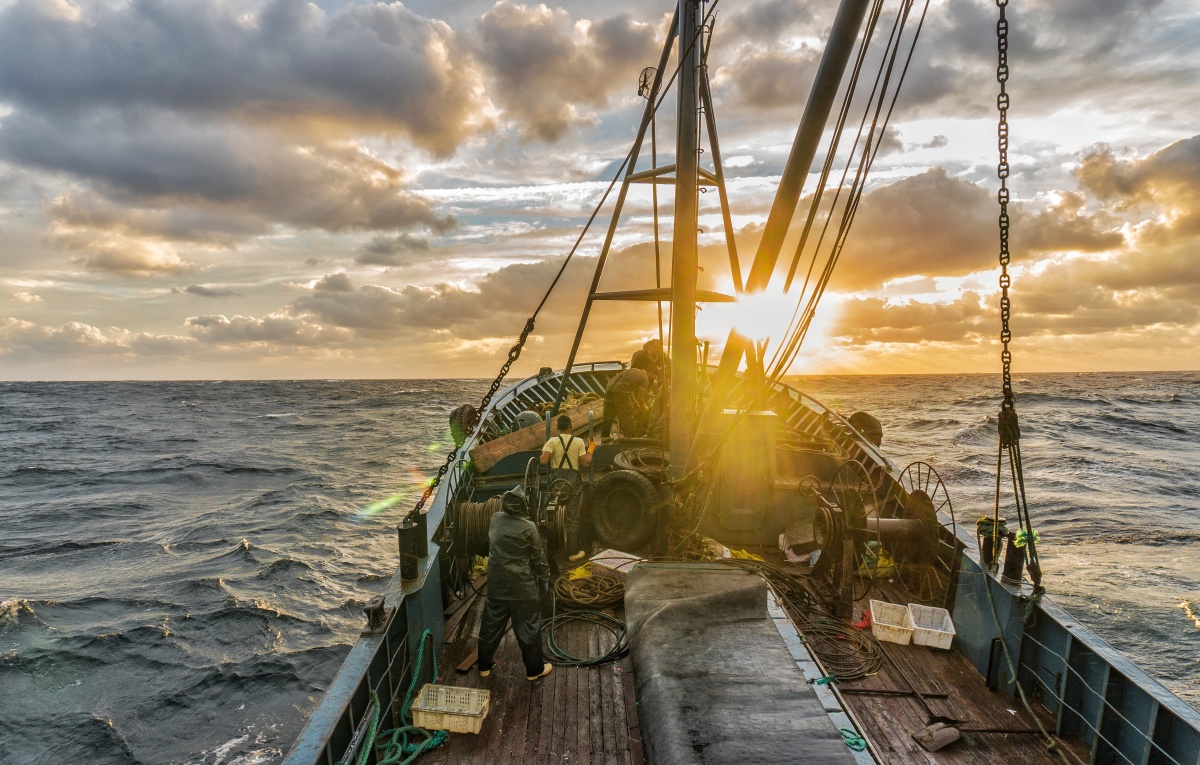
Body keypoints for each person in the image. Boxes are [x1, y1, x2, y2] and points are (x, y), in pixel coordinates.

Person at [477, 486, 553, 681]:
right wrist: (544, 579)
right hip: (522, 588)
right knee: (528, 628)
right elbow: (539, 559)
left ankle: (484, 666)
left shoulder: (494, 519)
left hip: (496, 586)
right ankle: (534, 670)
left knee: (490, 626)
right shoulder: (529, 527)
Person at [540, 414, 593, 561]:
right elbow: (586, 462)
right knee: (573, 518)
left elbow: (543, 461)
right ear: (571, 426)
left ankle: (549, 552)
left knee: (549, 514)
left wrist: (545, 448)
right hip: (572, 481)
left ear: (557, 428)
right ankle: (573, 553)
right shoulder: (578, 441)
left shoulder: (552, 441)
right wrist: (592, 448)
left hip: (556, 480)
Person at [602, 365, 650, 439]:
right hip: (621, 389)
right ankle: (631, 438)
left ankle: (604, 436)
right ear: (652, 373)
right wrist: (646, 410)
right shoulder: (645, 378)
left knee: (608, 414)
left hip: (609, 386)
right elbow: (640, 399)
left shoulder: (633, 370)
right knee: (627, 415)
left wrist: (634, 401)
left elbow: (630, 389)